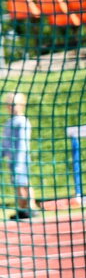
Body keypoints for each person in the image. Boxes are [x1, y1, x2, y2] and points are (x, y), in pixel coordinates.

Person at [2, 91, 36, 220]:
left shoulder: (22, 121)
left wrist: (19, 162)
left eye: (14, 104)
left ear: (22, 105)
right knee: (18, 184)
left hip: (21, 159)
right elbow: (5, 143)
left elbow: (22, 143)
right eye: (9, 104)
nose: (11, 107)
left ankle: (30, 207)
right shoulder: (9, 123)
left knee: (23, 182)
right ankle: (23, 209)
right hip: (12, 159)